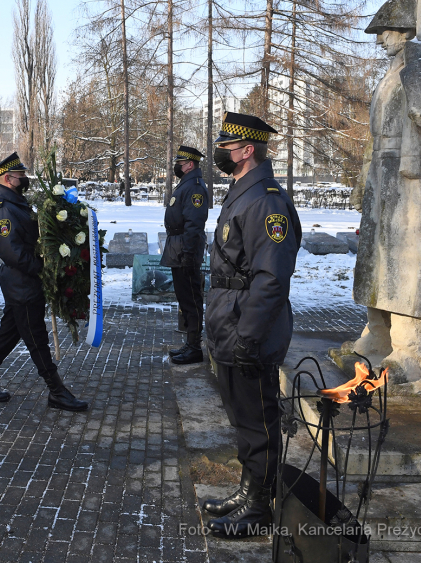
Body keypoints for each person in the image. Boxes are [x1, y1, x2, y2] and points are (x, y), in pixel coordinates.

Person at [200, 112, 302, 538]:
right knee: (243, 418)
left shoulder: (266, 199)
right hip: (231, 321)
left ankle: (259, 509)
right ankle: (249, 490)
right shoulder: (244, 192)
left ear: (246, 151)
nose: (220, 153)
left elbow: (271, 278)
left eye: (225, 147)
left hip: (249, 328)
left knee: (258, 421)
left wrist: (248, 335)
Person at [0, 152, 89, 412]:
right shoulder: (3, 210)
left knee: (8, 334)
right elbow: (11, 251)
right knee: (36, 339)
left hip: (24, 283)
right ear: (9, 178)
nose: (25, 179)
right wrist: (42, 269)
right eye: (21, 175)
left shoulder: (16, 202)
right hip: (21, 282)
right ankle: (57, 391)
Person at [162, 145, 210, 365]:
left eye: (180, 164)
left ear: (190, 165)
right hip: (178, 247)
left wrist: (189, 254)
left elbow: (194, 224)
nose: (177, 167)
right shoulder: (187, 184)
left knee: (191, 299)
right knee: (184, 298)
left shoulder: (195, 188)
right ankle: (190, 344)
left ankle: (194, 347)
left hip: (185, 249)